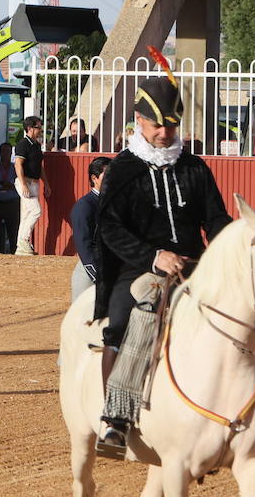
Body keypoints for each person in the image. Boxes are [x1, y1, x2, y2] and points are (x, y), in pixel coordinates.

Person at [91, 74, 231, 453]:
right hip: (139, 269)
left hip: (194, 265)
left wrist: (228, 249)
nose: (166, 133)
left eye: (172, 125)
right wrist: (153, 257)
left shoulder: (194, 168)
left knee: (245, 311)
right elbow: (108, 228)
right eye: (158, 125)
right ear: (139, 121)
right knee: (120, 323)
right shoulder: (122, 169)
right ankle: (115, 419)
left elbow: (215, 219)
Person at [69, 156, 110, 302]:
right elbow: (84, 245)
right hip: (90, 271)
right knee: (81, 319)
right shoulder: (84, 206)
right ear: (94, 178)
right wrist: (97, 276)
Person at [13, 116, 46, 255]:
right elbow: (18, 164)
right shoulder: (23, 144)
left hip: (34, 182)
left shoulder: (37, 145)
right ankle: (24, 241)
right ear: (30, 128)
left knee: (26, 214)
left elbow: (40, 167)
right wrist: (23, 185)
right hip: (25, 182)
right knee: (36, 211)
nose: (41, 130)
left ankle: (21, 248)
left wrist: (47, 184)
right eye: (38, 127)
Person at [0, 143, 21, 255]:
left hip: (12, 203)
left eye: (7, 151)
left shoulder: (16, 168)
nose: (5, 153)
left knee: (13, 230)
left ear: (11, 153)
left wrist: (0, 183)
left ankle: (14, 252)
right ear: (0, 152)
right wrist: (5, 184)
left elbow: (16, 185)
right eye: (3, 151)